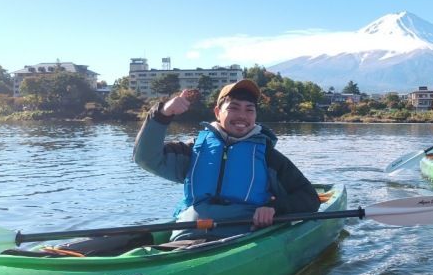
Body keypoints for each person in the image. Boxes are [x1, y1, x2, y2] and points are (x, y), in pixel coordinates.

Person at [133, 79, 320, 240]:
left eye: (249, 110)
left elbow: (309, 197)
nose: (242, 116)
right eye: (233, 108)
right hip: (189, 235)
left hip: (244, 236)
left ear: (255, 116)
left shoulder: (269, 157)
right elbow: (146, 158)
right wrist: (163, 114)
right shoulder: (193, 151)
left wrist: (274, 208)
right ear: (217, 112)